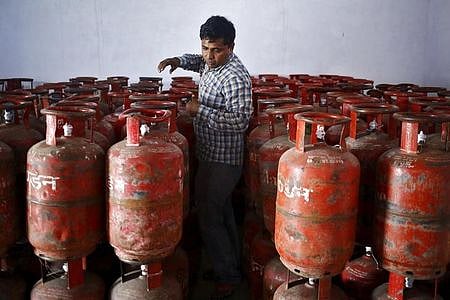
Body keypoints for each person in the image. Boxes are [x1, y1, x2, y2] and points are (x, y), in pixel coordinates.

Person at [158, 15, 253, 299]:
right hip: (209, 152)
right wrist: (177, 59)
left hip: (224, 160)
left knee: (210, 214)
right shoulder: (211, 63)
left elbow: (240, 121)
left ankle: (228, 276)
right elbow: (197, 61)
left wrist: (201, 111)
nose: (209, 56)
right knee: (221, 213)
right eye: (205, 48)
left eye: (217, 50)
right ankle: (229, 266)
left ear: (231, 47)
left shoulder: (235, 76)